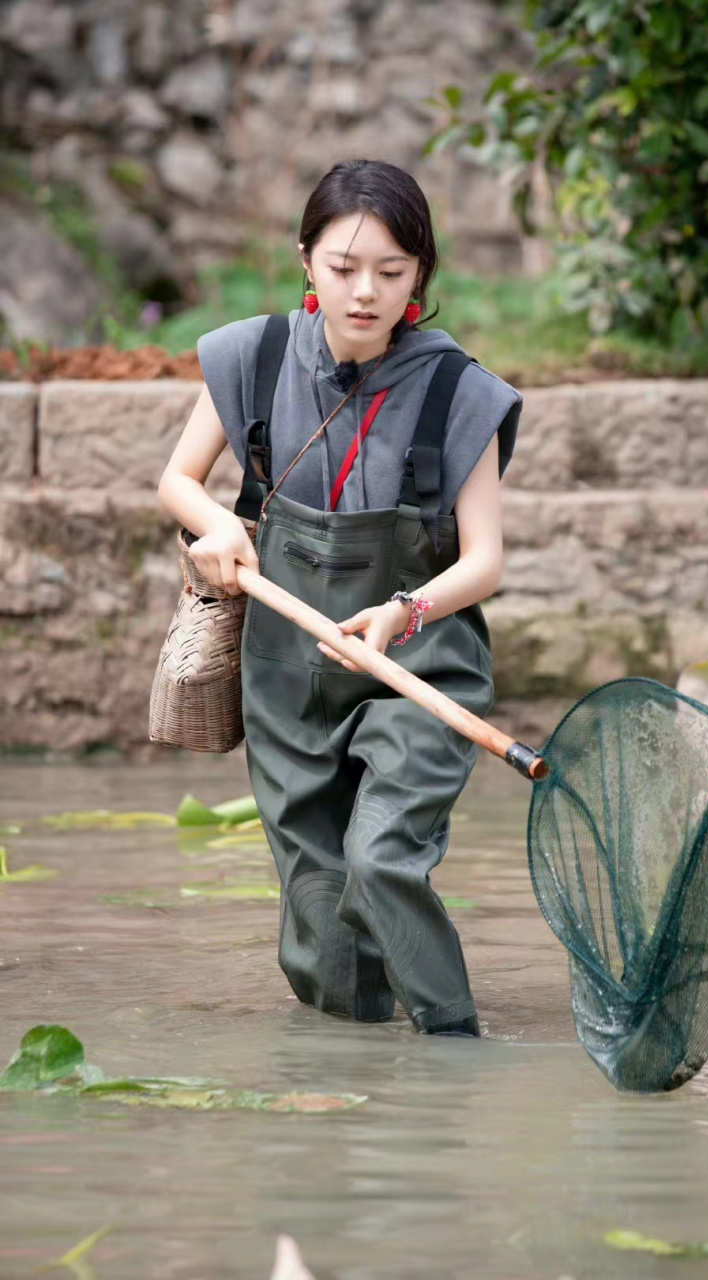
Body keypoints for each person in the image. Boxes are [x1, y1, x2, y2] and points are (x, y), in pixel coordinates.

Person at [158, 158, 522, 1037]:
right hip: (285, 676)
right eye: (342, 268)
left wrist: (405, 612)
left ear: (421, 276)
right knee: (318, 904)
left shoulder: (457, 392)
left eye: (392, 273)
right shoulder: (253, 356)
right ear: (305, 262)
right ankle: (352, 1074)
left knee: (381, 857)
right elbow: (178, 479)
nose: (365, 293)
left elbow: (485, 563)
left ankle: (454, 1044)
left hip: (415, 664)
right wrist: (216, 526)